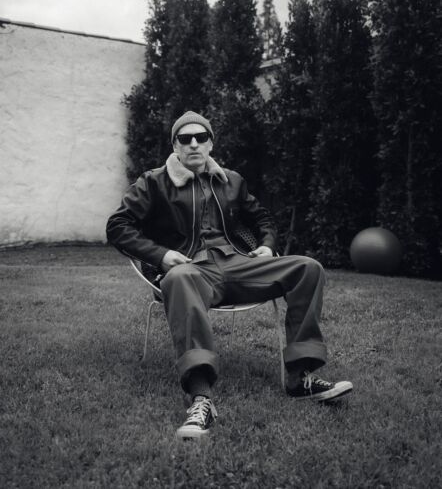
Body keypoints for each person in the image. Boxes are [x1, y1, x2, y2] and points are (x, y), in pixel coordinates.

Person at [106, 111, 353, 439]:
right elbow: (118, 226)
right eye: (185, 139)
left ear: (211, 143)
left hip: (238, 265)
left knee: (308, 268)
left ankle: (301, 378)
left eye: (201, 137)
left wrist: (267, 246)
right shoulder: (153, 182)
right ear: (175, 146)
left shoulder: (231, 180)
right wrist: (162, 256)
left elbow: (263, 218)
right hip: (191, 270)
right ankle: (201, 397)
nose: (194, 144)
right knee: (178, 277)